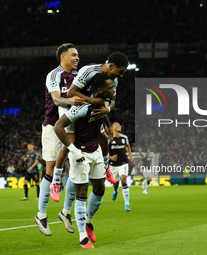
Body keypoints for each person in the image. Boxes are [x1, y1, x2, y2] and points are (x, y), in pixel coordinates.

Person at [56, 52, 129, 233]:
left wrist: (105, 109)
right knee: (70, 149)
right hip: (72, 110)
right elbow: (71, 93)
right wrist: (92, 101)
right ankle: (55, 182)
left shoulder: (114, 81)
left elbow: (111, 102)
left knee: (104, 138)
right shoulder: (88, 71)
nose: (120, 76)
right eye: (120, 72)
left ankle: (104, 167)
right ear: (110, 66)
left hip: (92, 113)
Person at [54, 73, 115, 248]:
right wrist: (74, 151)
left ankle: (88, 222)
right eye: (111, 88)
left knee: (100, 189)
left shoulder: (103, 103)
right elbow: (59, 127)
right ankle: (82, 238)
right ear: (100, 90)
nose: (114, 89)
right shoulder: (82, 107)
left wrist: (108, 123)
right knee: (81, 194)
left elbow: (102, 115)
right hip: (80, 154)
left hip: (95, 152)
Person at [34, 43, 84, 236]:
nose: (77, 58)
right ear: (63, 57)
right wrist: (72, 100)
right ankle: (41, 214)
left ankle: (65, 212)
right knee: (51, 168)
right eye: (74, 55)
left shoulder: (79, 76)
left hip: (73, 127)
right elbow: (56, 99)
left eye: (78, 55)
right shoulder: (54, 75)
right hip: (53, 127)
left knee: (77, 170)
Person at [109, 122, 134, 211]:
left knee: (123, 181)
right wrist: (111, 157)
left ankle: (127, 204)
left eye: (119, 125)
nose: (119, 126)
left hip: (123, 162)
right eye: (116, 125)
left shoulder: (124, 137)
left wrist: (130, 156)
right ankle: (115, 190)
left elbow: (128, 146)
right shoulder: (109, 139)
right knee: (115, 183)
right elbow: (104, 152)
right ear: (112, 128)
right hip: (113, 165)